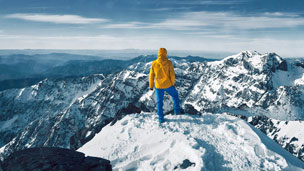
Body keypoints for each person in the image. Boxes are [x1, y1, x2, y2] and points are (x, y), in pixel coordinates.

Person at [149, 48, 181, 123]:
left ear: (158, 54)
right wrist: (172, 84)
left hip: (158, 86)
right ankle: (177, 111)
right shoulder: (169, 63)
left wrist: (151, 86)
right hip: (168, 84)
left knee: (159, 102)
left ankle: (161, 118)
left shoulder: (154, 63)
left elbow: (151, 75)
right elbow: (172, 75)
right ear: (165, 53)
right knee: (175, 95)